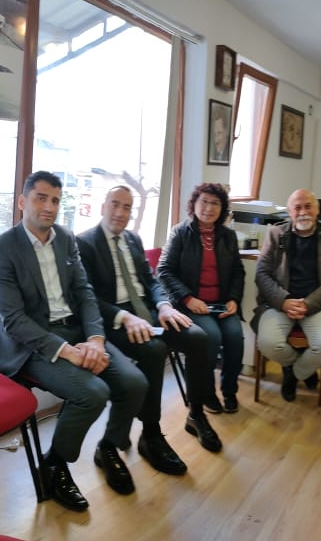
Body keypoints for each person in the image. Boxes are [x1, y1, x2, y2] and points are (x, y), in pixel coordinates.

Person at [0, 171, 147, 512]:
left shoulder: (66, 239)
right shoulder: (1, 250)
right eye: (41, 198)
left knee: (134, 382)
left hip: (75, 332)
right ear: (22, 201)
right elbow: (14, 320)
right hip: (31, 344)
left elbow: (84, 294)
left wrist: (96, 340)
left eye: (55, 200)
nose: (49, 207)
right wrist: (67, 352)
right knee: (93, 393)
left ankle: (109, 447)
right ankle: (54, 466)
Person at [76, 186, 218, 467]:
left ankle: (196, 414)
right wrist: (124, 317)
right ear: (103, 206)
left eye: (127, 207)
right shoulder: (84, 243)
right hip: (115, 318)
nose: (120, 213)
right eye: (115, 204)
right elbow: (87, 297)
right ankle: (151, 434)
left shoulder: (133, 238)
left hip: (147, 309)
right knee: (154, 350)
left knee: (199, 338)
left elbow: (151, 281)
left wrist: (164, 305)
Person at [157, 183, 247, 424]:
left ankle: (229, 391)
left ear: (222, 208)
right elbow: (164, 270)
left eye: (215, 203)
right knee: (211, 337)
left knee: (235, 337)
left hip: (221, 304)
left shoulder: (228, 236)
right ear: (194, 204)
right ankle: (205, 393)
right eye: (204, 201)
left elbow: (238, 272)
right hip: (191, 304)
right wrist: (188, 298)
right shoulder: (180, 233)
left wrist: (233, 299)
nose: (209, 208)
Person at [253, 189, 321, 402]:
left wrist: (309, 304)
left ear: (317, 209)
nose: (303, 212)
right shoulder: (275, 235)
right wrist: (284, 301)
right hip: (279, 304)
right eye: (297, 207)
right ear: (289, 212)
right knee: (267, 343)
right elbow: (262, 274)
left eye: (308, 206)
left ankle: (294, 374)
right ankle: (303, 368)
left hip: (316, 305)